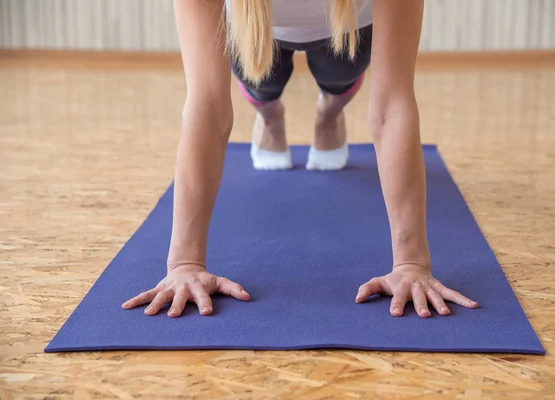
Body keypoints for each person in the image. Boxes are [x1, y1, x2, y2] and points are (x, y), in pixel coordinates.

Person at [122, 0, 479, 319]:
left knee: (338, 73)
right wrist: (185, 263)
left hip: (348, 28)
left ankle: (330, 110)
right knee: (263, 79)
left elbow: (391, 107)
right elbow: (209, 109)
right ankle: (269, 114)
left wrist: (411, 263)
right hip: (254, 27)